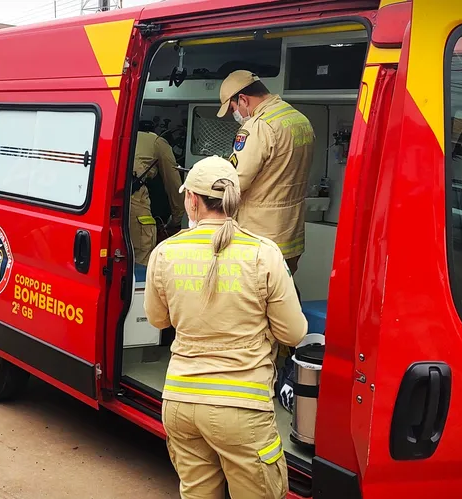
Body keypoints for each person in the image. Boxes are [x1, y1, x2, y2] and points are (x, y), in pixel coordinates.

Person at [144, 156, 307, 499]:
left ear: (192, 200)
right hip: (242, 409)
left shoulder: (165, 252)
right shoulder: (264, 254)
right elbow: (293, 333)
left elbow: (158, 320)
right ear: (236, 199)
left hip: (180, 402)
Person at [217, 70, 315, 275]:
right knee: (282, 295)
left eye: (233, 108)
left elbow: (236, 181)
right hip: (291, 234)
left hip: (259, 235)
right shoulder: (300, 120)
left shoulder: (259, 125)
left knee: (254, 301)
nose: (235, 115)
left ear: (243, 99)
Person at [132, 130, 186, 281]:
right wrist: (176, 220)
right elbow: (175, 186)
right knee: (141, 268)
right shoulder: (158, 143)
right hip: (135, 207)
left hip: (102, 208)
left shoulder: (111, 134)